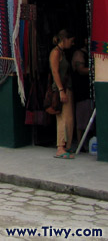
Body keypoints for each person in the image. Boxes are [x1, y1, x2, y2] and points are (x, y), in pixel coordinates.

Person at [50, 29, 75, 159]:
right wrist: (60, 90)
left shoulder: (62, 53)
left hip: (67, 88)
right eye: (71, 41)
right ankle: (60, 146)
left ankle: (66, 145)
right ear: (64, 40)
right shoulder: (55, 53)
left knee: (69, 118)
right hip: (61, 89)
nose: (72, 43)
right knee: (63, 118)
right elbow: (55, 72)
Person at [72, 36, 93, 150]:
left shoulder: (90, 53)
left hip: (88, 91)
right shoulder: (79, 54)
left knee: (88, 117)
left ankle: (85, 143)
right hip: (81, 91)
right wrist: (93, 69)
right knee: (81, 118)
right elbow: (81, 70)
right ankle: (81, 144)